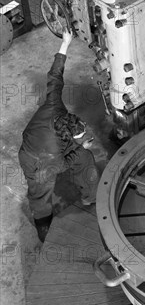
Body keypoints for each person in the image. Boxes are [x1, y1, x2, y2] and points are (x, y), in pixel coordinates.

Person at [18, 29, 99, 242]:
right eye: (80, 137)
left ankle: (91, 196)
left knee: (84, 157)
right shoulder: (53, 153)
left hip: (48, 143)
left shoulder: (55, 105)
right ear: (69, 139)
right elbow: (60, 166)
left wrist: (65, 44)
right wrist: (81, 148)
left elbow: (54, 76)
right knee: (41, 193)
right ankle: (43, 228)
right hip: (35, 160)